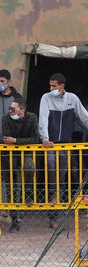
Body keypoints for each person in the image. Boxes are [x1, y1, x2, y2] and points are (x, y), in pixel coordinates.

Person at [39, 73, 88, 228]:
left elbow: (84, 117)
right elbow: (43, 119)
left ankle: (75, 206)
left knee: (67, 174)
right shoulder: (46, 98)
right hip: (51, 144)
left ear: (62, 86)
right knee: (52, 172)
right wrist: (45, 139)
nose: (51, 88)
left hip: (66, 144)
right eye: (50, 85)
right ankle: (52, 214)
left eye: (54, 85)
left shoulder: (72, 99)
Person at [1, 98, 39, 232]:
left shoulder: (31, 118)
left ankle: (28, 193)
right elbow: (6, 139)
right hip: (10, 155)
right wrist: (14, 141)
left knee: (29, 168)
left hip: (26, 152)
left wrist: (16, 140)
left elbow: (36, 138)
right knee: (11, 187)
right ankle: (14, 220)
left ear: (22, 110)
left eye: (13, 109)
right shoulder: (6, 118)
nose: (10, 111)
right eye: (10, 108)